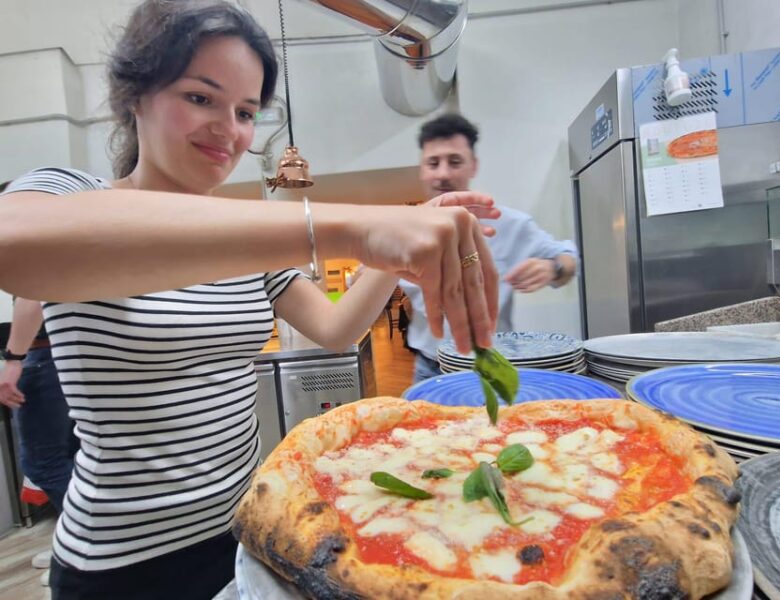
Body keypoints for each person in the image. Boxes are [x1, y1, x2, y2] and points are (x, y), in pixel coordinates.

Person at [0, 2, 500, 598]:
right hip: (120, 564)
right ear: (135, 97)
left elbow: (335, 329)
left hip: (248, 531)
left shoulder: (244, 240)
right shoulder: (73, 193)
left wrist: (398, 245)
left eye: (244, 111)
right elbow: (15, 244)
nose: (229, 129)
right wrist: (353, 225)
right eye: (200, 98)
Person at [400, 113, 579, 383]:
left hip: (493, 365)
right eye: (433, 163)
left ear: (473, 166)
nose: (443, 174)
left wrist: (553, 268)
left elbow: (569, 258)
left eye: (455, 161)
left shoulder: (509, 224)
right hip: (430, 366)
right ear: (422, 171)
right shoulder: (401, 229)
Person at [0, 297, 79, 578]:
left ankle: (79, 554)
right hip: (71, 355)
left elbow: (31, 294)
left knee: (44, 465)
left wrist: (13, 359)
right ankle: (69, 546)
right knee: (74, 458)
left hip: (44, 354)